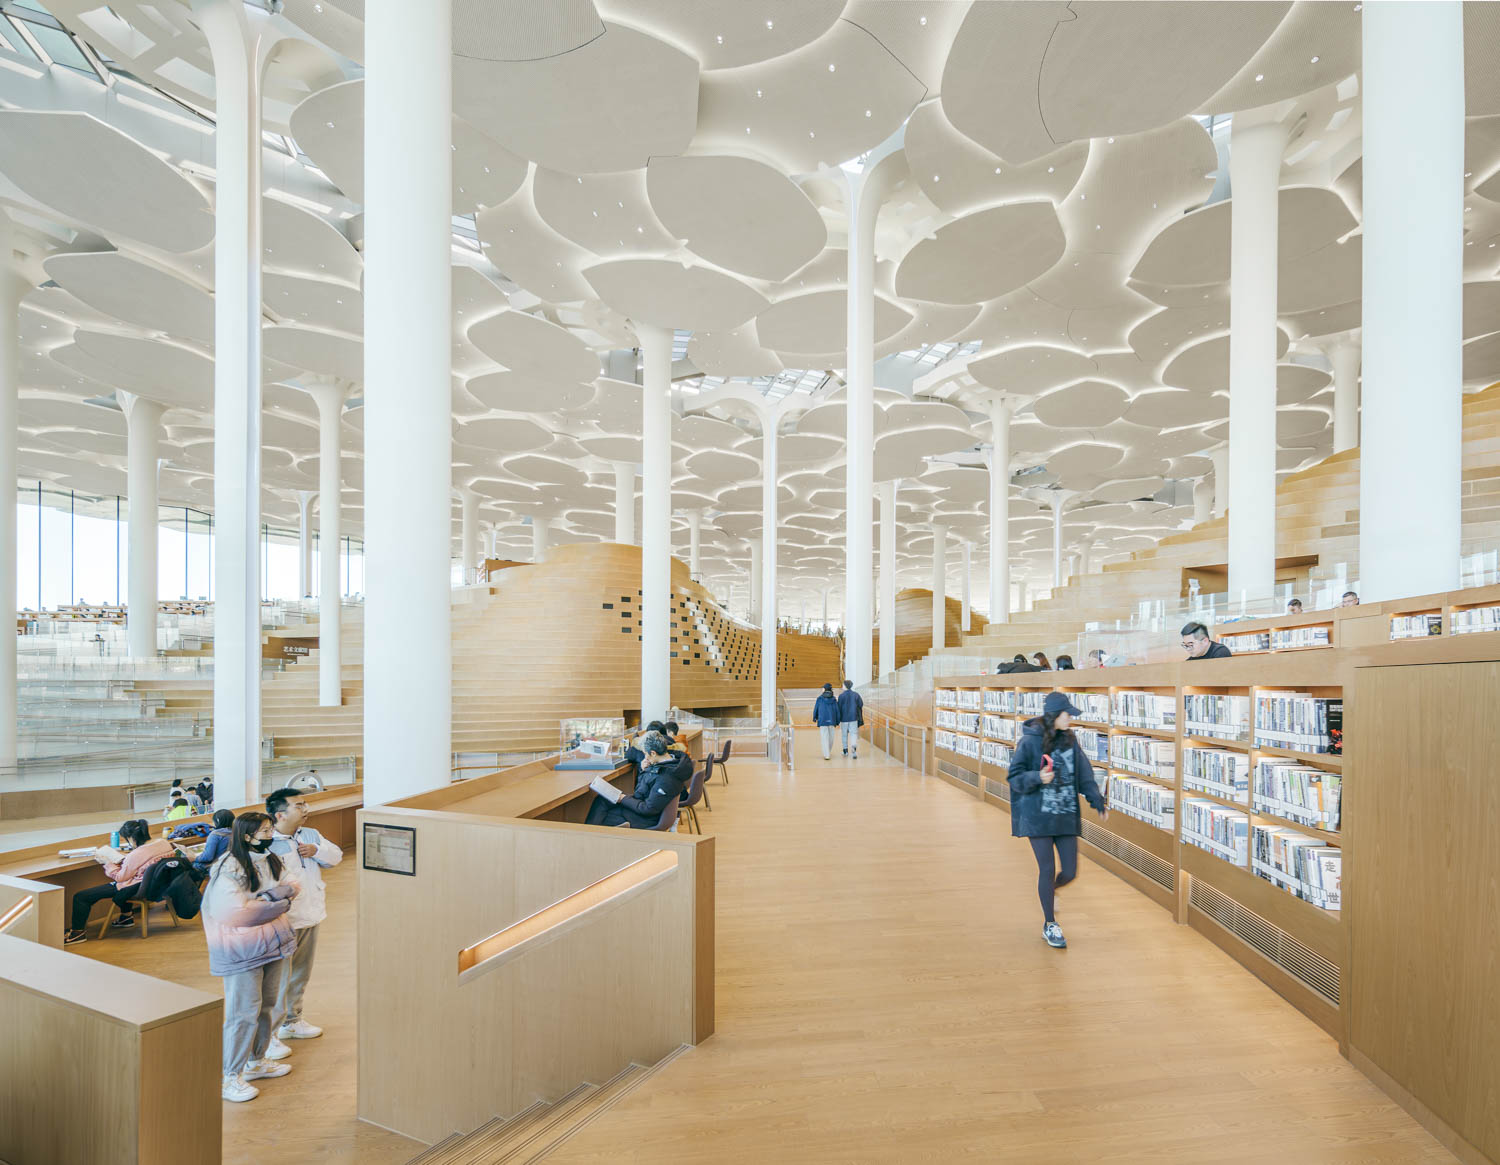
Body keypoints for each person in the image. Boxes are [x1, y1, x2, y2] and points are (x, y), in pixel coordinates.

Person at [203, 812, 299, 1103]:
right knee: (242, 1013)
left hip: (273, 943)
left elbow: (294, 884)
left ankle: (256, 1061)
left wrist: (267, 899)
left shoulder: (270, 858)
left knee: (267, 1006)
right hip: (241, 950)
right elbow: (235, 913)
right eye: (265, 830)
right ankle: (229, 1076)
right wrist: (277, 901)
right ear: (247, 835)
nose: (271, 834)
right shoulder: (228, 866)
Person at [1007, 692, 1107, 949]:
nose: (1070, 719)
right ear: (1054, 716)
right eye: (1067, 714)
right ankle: (1050, 923)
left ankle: (1050, 891)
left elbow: (1084, 773)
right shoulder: (1029, 743)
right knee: (1047, 869)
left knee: (1071, 871)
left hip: (1065, 815)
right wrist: (1037, 777)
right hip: (1037, 817)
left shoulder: (1071, 741)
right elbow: (1014, 777)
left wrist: (1097, 801)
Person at [267, 787, 343, 1043]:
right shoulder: (267, 843)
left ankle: (293, 1020)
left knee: (300, 973)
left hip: (311, 915)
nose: (305, 810)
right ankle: (270, 1034)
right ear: (279, 815)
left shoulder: (311, 834)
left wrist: (317, 851)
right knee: (276, 979)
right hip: (281, 921)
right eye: (298, 806)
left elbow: (336, 857)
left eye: (305, 804)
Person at [63, 819, 175, 944]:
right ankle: (126, 917)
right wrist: (127, 862)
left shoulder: (137, 854)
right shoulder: (164, 843)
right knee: (125, 884)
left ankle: (77, 933)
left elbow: (121, 877)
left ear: (131, 839)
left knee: (81, 897)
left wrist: (107, 863)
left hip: (137, 887)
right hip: (157, 885)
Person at [584, 731, 689, 828]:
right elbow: (643, 790)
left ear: (653, 753)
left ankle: (588, 838)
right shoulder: (663, 765)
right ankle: (588, 836)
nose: (645, 757)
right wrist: (644, 771)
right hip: (643, 808)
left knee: (603, 815)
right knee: (602, 800)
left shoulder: (667, 778)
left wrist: (622, 798)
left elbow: (648, 809)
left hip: (646, 819)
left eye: (645, 753)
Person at [836, 679, 864, 759]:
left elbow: (839, 707)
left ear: (845, 686)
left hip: (844, 719)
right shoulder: (856, 695)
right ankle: (854, 750)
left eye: (843, 685)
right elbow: (861, 704)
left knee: (844, 735)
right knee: (853, 734)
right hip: (853, 718)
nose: (842, 686)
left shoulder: (841, 696)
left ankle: (845, 751)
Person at [813, 683, 840, 760]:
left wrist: (814, 717)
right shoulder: (834, 699)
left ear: (824, 689)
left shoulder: (820, 699)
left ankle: (827, 754)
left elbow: (816, 708)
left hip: (822, 720)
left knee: (824, 737)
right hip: (832, 720)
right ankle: (828, 751)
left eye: (823, 688)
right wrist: (837, 720)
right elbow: (837, 710)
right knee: (831, 738)